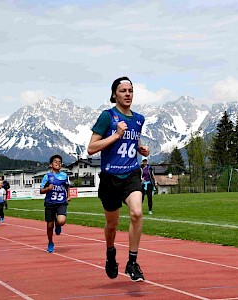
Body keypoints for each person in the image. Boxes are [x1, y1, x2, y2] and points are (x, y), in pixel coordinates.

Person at [87, 76, 150, 282]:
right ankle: (110, 251)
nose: (128, 94)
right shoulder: (107, 116)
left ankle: (132, 262)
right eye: (123, 91)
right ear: (114, 94)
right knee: (112, 225)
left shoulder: (139, 119)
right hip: (110, 178)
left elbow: (133, 141)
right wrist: (115, 135)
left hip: (131, 174)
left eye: (130, 90)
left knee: (137, 213)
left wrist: (142, 149)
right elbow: (91, 148)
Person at [40, 154, 71, 253]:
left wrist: (68, 196)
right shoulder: (47, 177)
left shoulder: (64, 176)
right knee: (49, 225)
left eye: (59, 162)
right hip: (50, 203)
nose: (58, 163)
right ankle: (50, 242)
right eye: (55, 161)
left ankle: (58, 224)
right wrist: (47, 189)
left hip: (61, 202)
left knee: (61, 221)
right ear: (50, 164)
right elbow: (41, 191)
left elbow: (67, 186)